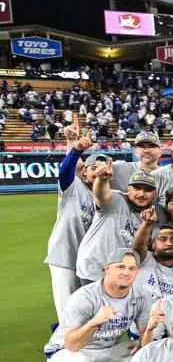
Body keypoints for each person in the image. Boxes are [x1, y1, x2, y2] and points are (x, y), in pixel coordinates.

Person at [48, 249, 154, 362]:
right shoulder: (85, 297)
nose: (126, 272)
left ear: (137, 272)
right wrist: (94, 323)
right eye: (120, 267)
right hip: (68, 352)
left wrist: (150, 330)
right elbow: (71, 343)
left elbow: (145, 339)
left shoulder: (141, 296)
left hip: (106, 351)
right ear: (107, 269)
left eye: (131, 268)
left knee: (146, 353)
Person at [46, 120, 101, 321]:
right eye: (92, 167)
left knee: (85, 313)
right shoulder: (72, 187)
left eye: (101, 168)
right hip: (64, 256)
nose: (96, 171)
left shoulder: (107, 197)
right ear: (84, 171)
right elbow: (65, 170)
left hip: (87, 263)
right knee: (67, 314)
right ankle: (59, 349)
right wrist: (75, 148)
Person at [76, 167, 159, 284]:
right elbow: (101, 196)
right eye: (137, 188)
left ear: (154, 194)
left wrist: (147, 225)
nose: (141, 194)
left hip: (121, 274)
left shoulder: (152, 216)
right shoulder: (117, 199)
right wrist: (102, 180)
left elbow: (139, 252)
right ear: (129, 189)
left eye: (147, 190)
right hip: (94, 269)